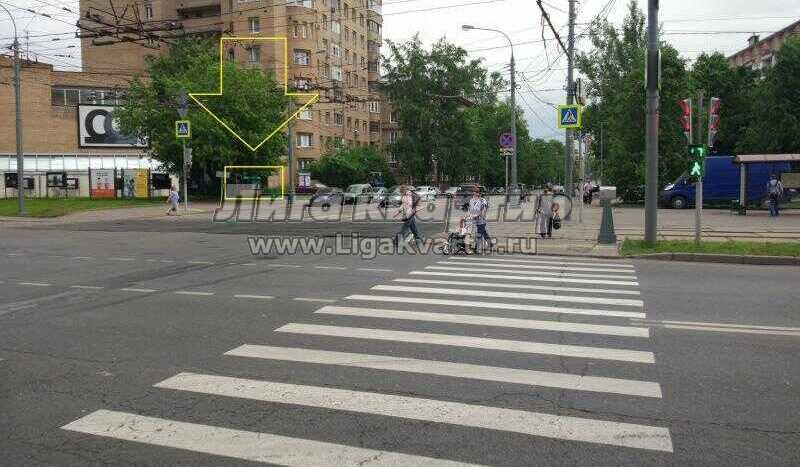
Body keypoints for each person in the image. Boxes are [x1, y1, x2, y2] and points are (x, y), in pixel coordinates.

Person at [468, 187, 492, 253]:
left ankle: (478, 248)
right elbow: (470, 209)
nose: (474, 193)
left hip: (482, 219)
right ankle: (490, 244)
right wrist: (468, 215)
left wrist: (478, 215)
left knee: (479, 233)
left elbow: (483, 210)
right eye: (473, 192)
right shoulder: (471, 200)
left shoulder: (482, 200)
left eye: (476, 192)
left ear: (478, 193)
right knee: (483, 232)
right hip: (473, 219)